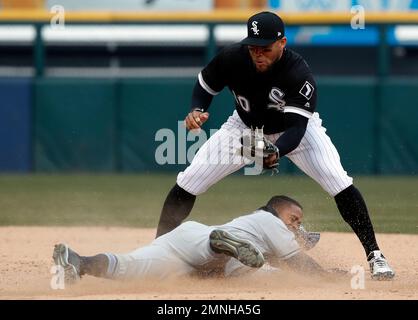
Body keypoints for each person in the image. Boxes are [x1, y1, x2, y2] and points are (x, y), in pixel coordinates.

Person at [155, 11, 394, 280]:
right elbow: (205, 86)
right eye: (253, 47)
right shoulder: (232, 58)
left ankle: (375, 255)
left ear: (282, 43)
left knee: (338, 181)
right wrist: (197, 109)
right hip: (243, 128)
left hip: (293, 130)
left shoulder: (297, 72)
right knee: (190, 180)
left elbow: (296, 130)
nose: (258, 54)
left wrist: (276, 151)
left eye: (266, 48)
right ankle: (158, 248)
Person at [53, 195, 329, 284]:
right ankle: (220, 243)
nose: (296, 225)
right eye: (294, 218)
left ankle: (80, 262)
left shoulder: (259, 231)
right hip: (207, 242)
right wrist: (332, 278)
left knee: (130, 267)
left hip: (182, 244)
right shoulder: (269, 220)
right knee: (254, 272)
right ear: (275, 209)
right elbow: (299, 263)